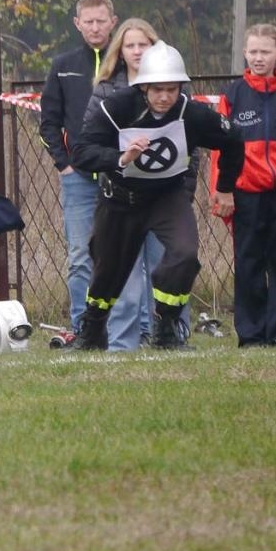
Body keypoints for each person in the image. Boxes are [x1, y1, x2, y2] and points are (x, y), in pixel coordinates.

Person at [70, 41, 243, 350]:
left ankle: (166, 327)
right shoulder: (116, 109)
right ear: (142, 87)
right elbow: (82, 152)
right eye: (157, 90)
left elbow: (233, 140)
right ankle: (93, 329)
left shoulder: (192, 112)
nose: (165, 97)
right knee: (108, 272)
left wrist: (225, 186)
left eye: (172, 90)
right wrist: (121, 157)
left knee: (185, 255)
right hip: (120, 200)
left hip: (167, 196)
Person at [211, 24, 276, 346]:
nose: (258, 58)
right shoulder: (233, 94)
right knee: (249, 265)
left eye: (265, 52)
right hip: (246, 195)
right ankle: (251, 335)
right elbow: (219, 150)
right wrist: (221, 192)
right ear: (244, 53)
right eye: (252, 51)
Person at [90, 18, 174, 348]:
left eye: (144, 44)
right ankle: (122, 343)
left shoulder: (174, 86)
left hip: (164, 197)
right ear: (120, 51)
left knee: (166, 269)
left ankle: (169, 337)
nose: (138, 51)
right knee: (121, 274)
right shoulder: (106, 89)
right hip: (120, 198)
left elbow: (189, 144)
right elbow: (91, 141)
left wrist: (184, 188)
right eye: (131, 45)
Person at [39, 0, 118, 337]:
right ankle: (82, 327)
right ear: (77, 24)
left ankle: (136, 326)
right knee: (80, 255)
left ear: (113, 22)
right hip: (79, 178)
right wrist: (64, 164)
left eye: (102, 21)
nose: (96, 27)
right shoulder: (64, 66)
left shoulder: (130, 61)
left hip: (124, 174)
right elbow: (48, 122)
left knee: (125, 251)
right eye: (89, 21)